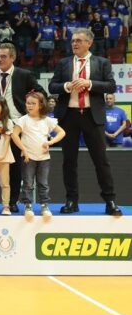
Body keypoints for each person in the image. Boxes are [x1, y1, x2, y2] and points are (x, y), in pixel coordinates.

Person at [48, 28, 121, 216]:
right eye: (73, 41)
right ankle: (71, 201)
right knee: (69, 161)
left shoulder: (102, 63)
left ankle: (110, 201)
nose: (74, 44)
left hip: (92, 116)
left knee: (101, 161)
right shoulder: (64, 63)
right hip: (68, 116)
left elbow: (111, 85)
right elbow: (52, 85)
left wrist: (89, 84)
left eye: (79, 40)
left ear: (89, 43)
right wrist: (66, 86)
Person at [0, 42, 46, 213]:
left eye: (4, 56)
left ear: (12, 57)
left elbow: (42, 92)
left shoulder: (24, 75)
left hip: (16, 125)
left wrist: (31, 114)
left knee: (13, 166)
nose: (0, 59)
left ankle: (12, 202)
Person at [13, 92, 66, 218]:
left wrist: (51, 141)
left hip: (44, 158)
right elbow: (14, 135)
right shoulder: (23, 120)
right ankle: (27, 206)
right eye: (28, 103)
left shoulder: (47, 120)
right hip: (28, 157)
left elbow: (62, 132)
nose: (30, 106)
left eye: (33, 103)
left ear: (41, 105)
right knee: (28, 183)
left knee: (43, 183)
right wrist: (24, 150)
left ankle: (44, 206)